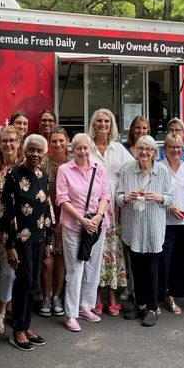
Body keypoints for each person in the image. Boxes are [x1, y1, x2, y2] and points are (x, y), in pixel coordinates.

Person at [0, 134, 54, 350]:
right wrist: (9, 246)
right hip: (20, 240)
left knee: (33, 283)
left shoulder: (43, 175)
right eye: (31, 149)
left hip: (39, 237)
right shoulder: (13, 175)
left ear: (44, 153)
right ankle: (17, 330)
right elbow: (6, 211)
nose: (35, 154)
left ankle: (26, 325)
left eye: (39, 150)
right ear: (24, 150)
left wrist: (48, 238)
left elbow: (47, 206)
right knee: (23, 281)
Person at [116, 135, 173, 327]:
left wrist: (158, 197)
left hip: (153, 228)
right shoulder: (127, 169)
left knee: (152, 269)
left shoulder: (162, 171)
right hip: (133, 227)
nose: (144, 152)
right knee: (136, 268)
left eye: (148, 149)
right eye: (141, 148)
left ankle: (152, 308)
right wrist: (127, 197)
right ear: (135, 150)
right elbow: (117, 197)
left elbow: (170, 198)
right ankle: (139, 305)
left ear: (154, 152)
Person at [56, 133, 111, 332]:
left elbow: (105, 196)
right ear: (72, 149)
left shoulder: (99, 169)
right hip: (74, 224)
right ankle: (70, 314)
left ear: (91, 149)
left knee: (93, 267)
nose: (82, 151)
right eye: (78, 147)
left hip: (97, 225)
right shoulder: (64, 170)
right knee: (75, 269)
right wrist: (82, 220)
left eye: (85, 147)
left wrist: (98, 216)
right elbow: (62, 199)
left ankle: (85, 306)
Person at [89, 109, 132, 316]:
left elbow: (131, 172)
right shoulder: (88, 147)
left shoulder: (118, 149)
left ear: (111, 124)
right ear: (93, 124)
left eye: (107, 121)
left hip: (114, 211)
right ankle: (96, 296)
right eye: (99, 121)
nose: (103, 124)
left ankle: (112, 296)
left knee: (113, 254)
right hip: (93, 210)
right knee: (95, 253)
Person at [0, 126, 23, 333]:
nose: (8, 144)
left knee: (24, 272)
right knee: (7, 272)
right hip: (2, 229)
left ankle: (19, 313)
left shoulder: (26, 165)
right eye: (4, 141)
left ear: (19, 142)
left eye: (12, 140)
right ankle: (0, 312)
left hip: (25, 228)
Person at [157, 133, 184, 315]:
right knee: (163, 260)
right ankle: (160, 294)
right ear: (165, 149)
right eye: (171, 146)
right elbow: (154, 194)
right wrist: (169, 207)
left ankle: (173, 294)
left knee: (181, 260)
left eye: (179, 147)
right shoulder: (159, 168)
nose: (175, 150)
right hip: (165, 222)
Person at [40, 127, 71, 317]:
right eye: (54, 141)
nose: (58, 144)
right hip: (45, 215)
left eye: (61, 140)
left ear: (67, 141)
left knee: (61, 258)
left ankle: (57, 296)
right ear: (49, 143)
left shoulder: (72, 161)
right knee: (47, 258)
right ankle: (46, 296)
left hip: (67, 215)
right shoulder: (43, 162)